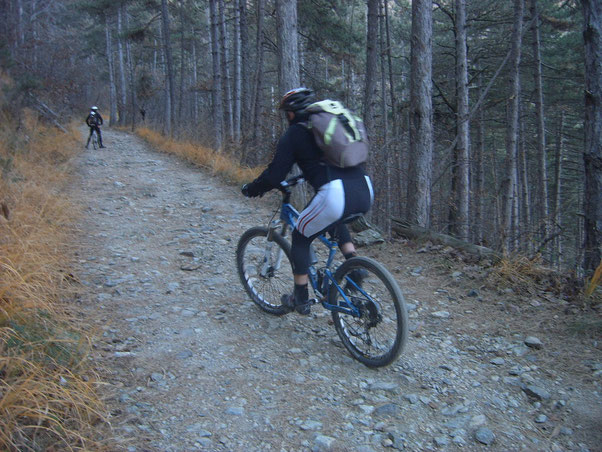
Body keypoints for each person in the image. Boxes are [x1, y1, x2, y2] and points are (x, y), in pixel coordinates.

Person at [242, 87, 373, 315]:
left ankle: (300, 297)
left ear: (291, 113)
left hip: (336, 194)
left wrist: (252, 189)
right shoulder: (327, 129)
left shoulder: (295, 133)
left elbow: (274, 175)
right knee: (334, 219)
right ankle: (355, 265)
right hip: (364, 188)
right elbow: (324, 163)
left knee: (300, 236)